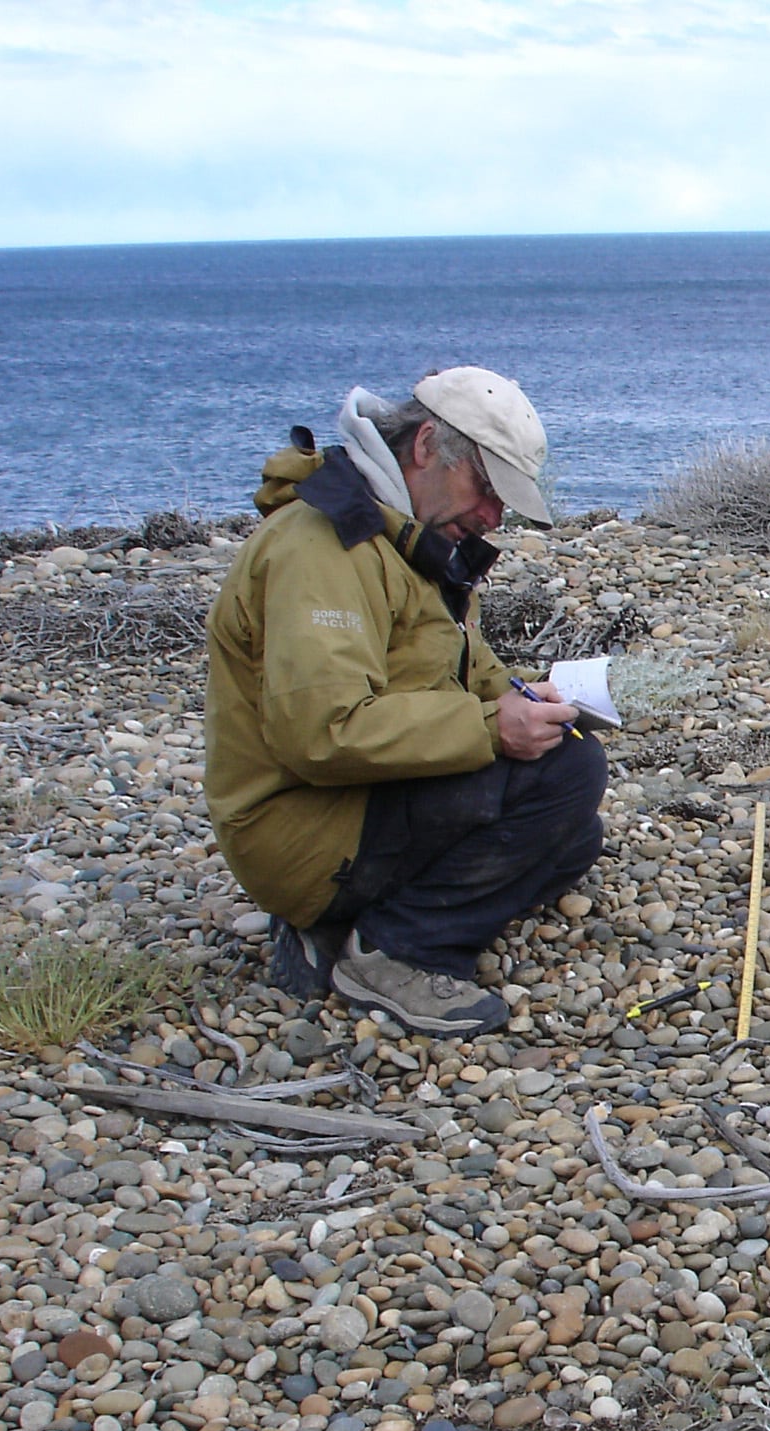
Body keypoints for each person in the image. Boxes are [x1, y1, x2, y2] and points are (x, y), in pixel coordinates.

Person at [204, 368, 605, 1037]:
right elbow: (323, 732)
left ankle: (334, 931)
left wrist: (518, 699)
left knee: (573, 834)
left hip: (355, 803)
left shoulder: (406, 537)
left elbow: (459, 669)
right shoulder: (324, 547)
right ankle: (396, 952)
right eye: (486, 488)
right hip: (299, 825)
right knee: (568, 776)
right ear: (425, 448)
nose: (492, 516)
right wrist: (490, 729)